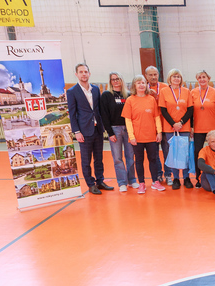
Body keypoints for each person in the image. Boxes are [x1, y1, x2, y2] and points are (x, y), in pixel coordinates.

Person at [67, 63, 112, 195]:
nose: (84, 74)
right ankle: (91, 184)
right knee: (86, 160)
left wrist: (104, 126)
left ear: (89, 73)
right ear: (76, 74)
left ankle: (100, 181)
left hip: (97, 130)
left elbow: (99, 109)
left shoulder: (96, 89)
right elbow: (72, 113)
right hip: (84, 131)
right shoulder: (72, 92)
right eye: (81, 72)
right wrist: (77, 132)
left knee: (99, 159)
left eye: (85, 71)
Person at [122, 75, 165, 194]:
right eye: (138, 83)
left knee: (153, 159)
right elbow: (128, 120)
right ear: (134, 86)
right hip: (137, 137)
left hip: (151, 136)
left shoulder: (151, 99)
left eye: (143, 83)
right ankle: (141, 183)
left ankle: (155, 181)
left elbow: (156, 117)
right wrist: (131, 136)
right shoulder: (130, 100)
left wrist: (159, 132)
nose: (141, 85)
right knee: (139, 160)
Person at [100, 71, 136, 192]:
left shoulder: (128, 95)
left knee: (130, 155)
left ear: (121, 80)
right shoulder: (106, 95)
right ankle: (122, 182)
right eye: (113, 79)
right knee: (117, 158)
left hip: (128, 128)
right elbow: (104, 115)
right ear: (110, 82)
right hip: (115, 129)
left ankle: (132, 180)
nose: (116, 81)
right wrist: (110, 133)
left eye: (118, 79)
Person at [158, 69, 192, 190]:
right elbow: (163, 110)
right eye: (174, 76)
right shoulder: (164, 91)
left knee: (185, 153)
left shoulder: (186, 91)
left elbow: (190, 109)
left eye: (178, 76)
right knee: (173, 153)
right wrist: (173, 124)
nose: (176, 79)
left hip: (184, 127)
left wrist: (181, 123)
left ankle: (186, 177)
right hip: (170, 127)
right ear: (170, 78)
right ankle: (176, 178)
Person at [190, 70, 215, 187]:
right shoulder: (192, 92)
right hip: (198, 129)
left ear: (208, 78)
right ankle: (198, 178)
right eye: (199, 77)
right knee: (198, 153)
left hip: (212, 129)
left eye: (204, 77)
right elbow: (190, 111)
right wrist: (191, 127)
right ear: (197, 80)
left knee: (214, 153)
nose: (202, 79)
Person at [145, 66, 169, 184]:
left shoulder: (165, 87)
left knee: (167, 152)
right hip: (150, 126)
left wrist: (157, 96)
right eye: (150, 75)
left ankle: (168, 174)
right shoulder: (143, 88)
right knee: (154, 154)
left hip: (165, 125)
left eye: (155, 74)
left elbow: (169, 104)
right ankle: (158, 174)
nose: (153, 77)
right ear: (146, 76)